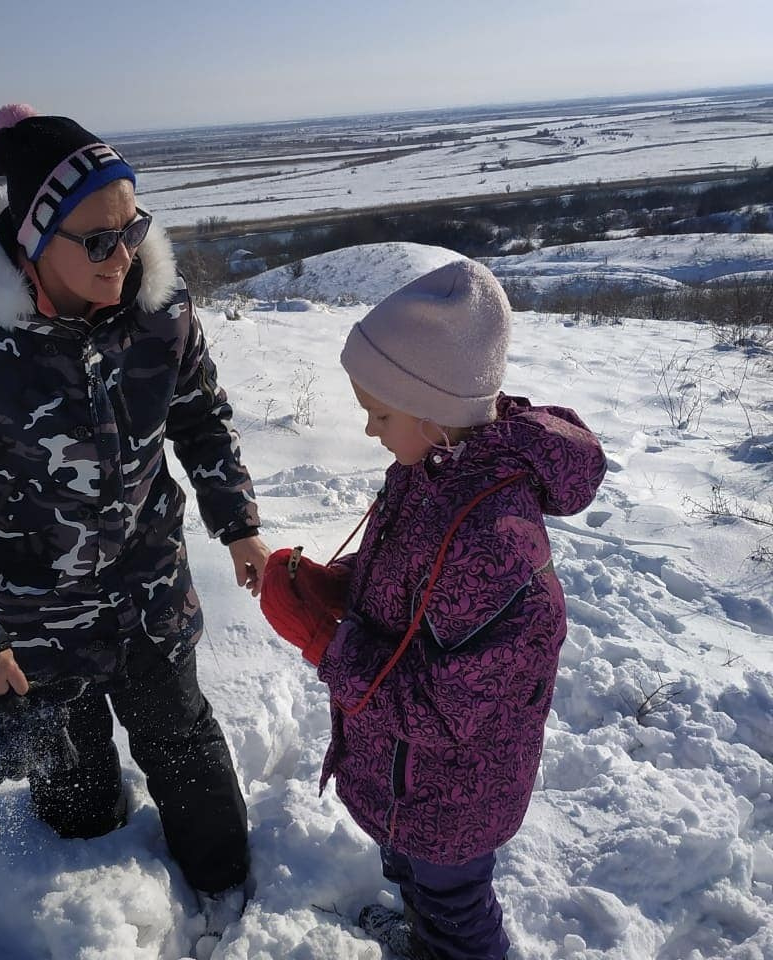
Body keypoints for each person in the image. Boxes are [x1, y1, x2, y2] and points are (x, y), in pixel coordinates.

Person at [0, 104, 269, 930]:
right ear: (35, 239)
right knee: (76, 792)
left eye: (133, 227)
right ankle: (99, 917)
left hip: (151, 595)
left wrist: (238, 521)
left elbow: (200, 419)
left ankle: (231, 902)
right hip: (33, 629)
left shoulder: (160, 314)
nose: (125, 254)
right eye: (98, 239)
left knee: (184, 744)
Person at [260, 258, 607, 960]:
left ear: (434, 412)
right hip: (406, 781)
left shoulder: (496, 545)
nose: (369, 431)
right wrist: (336, 586)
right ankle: (427, 941)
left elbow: (442, 710)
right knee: (417, 883)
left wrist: (327, 646)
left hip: (453, 797)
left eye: (379, 414)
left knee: (455, 906)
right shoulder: (429, 471)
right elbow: (408, 575)